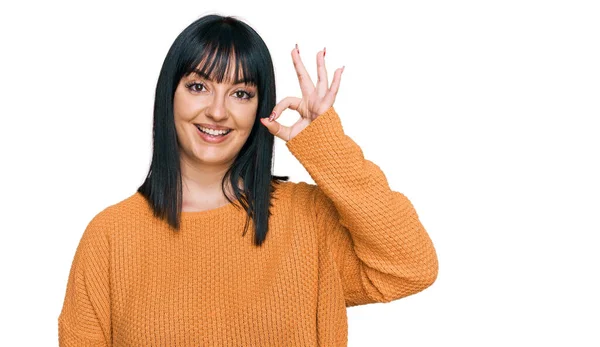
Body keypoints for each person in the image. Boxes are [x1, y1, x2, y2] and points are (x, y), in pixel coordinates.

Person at [57, 14, 439, 347]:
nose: (218, 110)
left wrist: (324, 143)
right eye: (197, 86)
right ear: (168, 97)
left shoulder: (306, 220)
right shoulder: (109, 237)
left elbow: (410, 266)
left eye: (241, 93)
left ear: (261, 106)